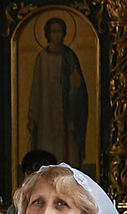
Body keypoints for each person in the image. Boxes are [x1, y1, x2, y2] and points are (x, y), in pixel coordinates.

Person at [26, 15, 87, 169]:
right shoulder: (42, 58)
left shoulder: (69, 56)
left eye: (59, 31)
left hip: (65, 112)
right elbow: (36, 87)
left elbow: (78, 87)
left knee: (66, 147)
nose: (56, 35)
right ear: (48, 34)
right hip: (46, 110)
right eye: (53, 32)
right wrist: (33, 115)